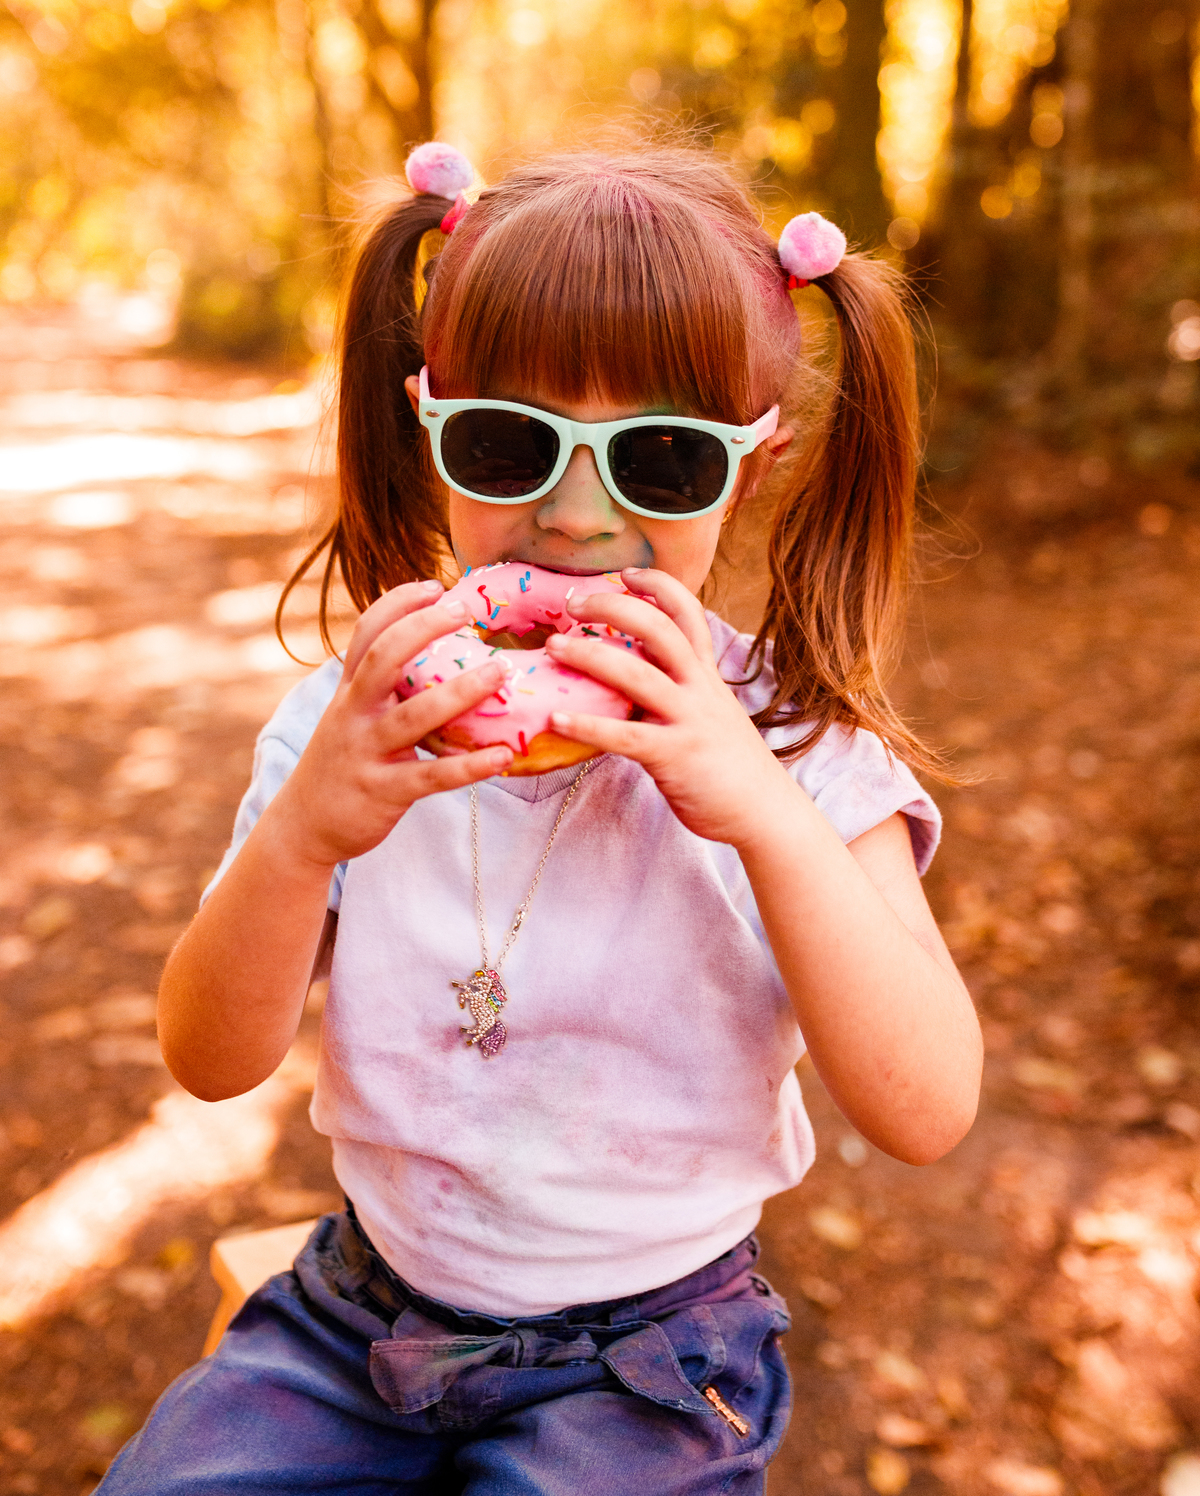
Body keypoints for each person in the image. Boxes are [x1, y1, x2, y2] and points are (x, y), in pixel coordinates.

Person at [102, 142, 982, 1495]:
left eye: (662, 459)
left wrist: (761, 813)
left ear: (751, 468)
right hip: (359, 1317)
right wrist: (302, 837)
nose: (575, 516)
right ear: (430, 427)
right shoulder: (354, 723)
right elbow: (208, 1060)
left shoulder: (798, 750)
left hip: (652, 1364)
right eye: (510, 444)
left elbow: (925, 1110)